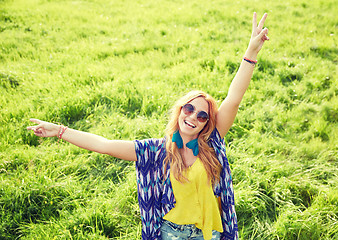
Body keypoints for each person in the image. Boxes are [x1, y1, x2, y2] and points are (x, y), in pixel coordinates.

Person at [27, 12, 269, 240]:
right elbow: (104, 145)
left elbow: (234, 97)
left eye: (202, 115)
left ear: (207, 123)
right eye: (189, 108)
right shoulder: (156, 151)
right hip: (171, 232)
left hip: (210, 232)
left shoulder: (211, 143)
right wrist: (59, 130)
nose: (194, 117)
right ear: (180, 111)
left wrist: (251, 51)